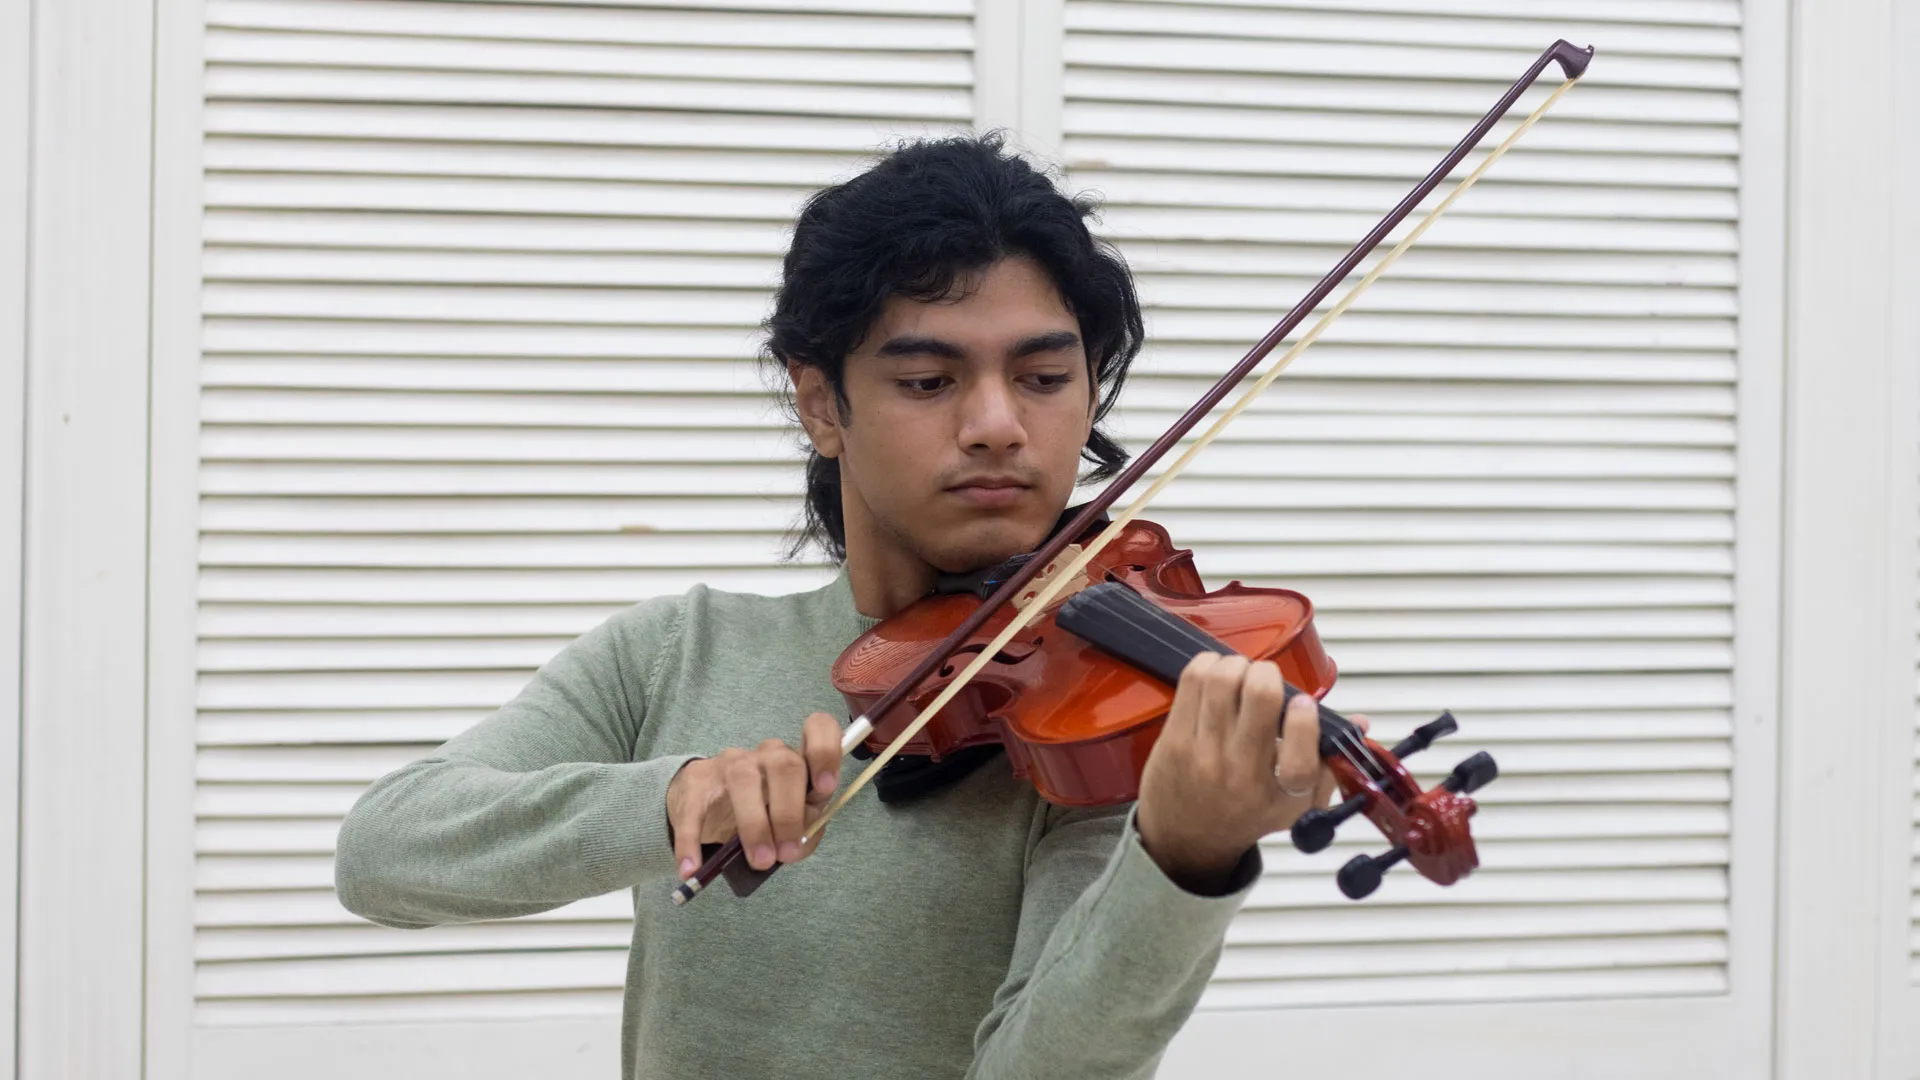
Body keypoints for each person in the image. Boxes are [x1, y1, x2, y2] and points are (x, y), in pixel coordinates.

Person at [335, 133, 1361, 1079]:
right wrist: (672, 798)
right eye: (928, 381)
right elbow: (384, 851)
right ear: (822, 404)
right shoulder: (678, 652)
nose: (998, 425)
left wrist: (1181, 859)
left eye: (1045, 376)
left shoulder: (1099, 729)